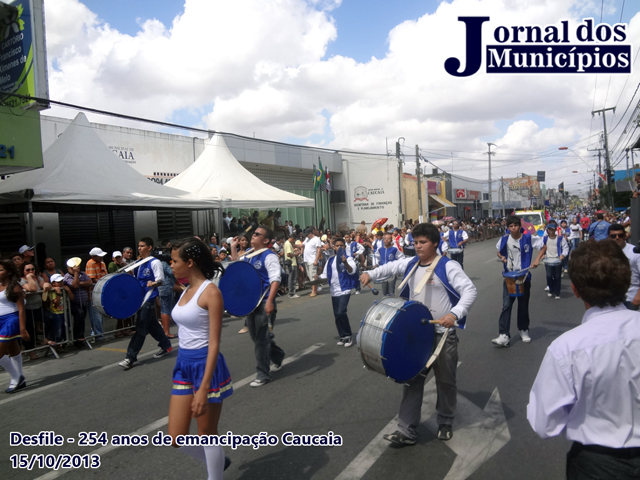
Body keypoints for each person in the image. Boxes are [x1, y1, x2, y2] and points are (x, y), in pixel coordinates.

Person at [527, 240, 640, 479]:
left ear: (576, 290)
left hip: (599, 463)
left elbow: (544, 423)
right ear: (628, 280)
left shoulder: (567, 348)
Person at [361, 223, 477, 444]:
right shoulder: (411, 263)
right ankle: (406, 431)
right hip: (416, 336)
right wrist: (370, 273)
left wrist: (454, 314)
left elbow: (469, 290)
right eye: (415, 242)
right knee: (411, 380)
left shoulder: (447, 266)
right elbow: (389, 268)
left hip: (442, 335)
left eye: (423, 242)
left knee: (446, 381)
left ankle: (445, 421)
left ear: (435, 243)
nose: (418, 246)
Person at [167, 238, 233, 479]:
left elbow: (215, 343)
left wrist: (203, 389)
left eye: (174, 261)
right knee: (175, 438)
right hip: (183, 365)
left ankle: (214, 472)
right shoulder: (185, 289)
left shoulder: (211, 292)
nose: (171, 265)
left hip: (206, 366)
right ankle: (217, 460)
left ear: (190, 263)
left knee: (206, 434)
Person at [230, 226, 285, 387]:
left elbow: (275, 279)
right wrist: (233, 247)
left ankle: (263, 374)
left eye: (256, 234)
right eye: (253, 233)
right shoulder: (248, 254)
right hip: (251, 303)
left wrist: (270, 301)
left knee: (260, 340)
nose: (252, 236)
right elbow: (236, 267)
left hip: (264, 302)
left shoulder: (269, 256)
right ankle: (278, 355)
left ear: (266, 240)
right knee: (256, 337)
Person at [119, 237, 173, 370]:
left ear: (149, 247)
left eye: (142, 246)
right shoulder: (139, 262)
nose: (139, 248)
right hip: (140, 298)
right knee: (152, 325)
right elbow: (135, 278)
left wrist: (152, 283)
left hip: (149, 298)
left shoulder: (155, 262)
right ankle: (166, 345)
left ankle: (130, 357)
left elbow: (160, 280)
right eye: (138, 246)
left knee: (140, 329)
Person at [493, 215, 544, 346]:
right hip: (509, 277)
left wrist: (537, 260)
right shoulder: (504, 239)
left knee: (523, 305)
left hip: (523, 277)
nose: (513, 228)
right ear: (508, 228)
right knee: (506, 305)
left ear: (520, 227)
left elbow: (543, 247)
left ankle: (523, 330)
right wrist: (502, 257)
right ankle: (504, 334)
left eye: (515, 226)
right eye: (510, 226)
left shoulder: (528, 238)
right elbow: (499, 251)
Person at [318, 237, 358, 347]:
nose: (339, 247)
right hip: (334, 290)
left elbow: (352, 271)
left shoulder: (349, 258)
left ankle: (348, 335)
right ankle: (342, 336)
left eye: (341, 245)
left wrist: (345, 263)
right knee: (337, 315)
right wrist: (317, 278)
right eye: (337, 246)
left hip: (345, 289)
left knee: (341, 312)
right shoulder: (330, 260)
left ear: (344, 247)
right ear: (334, 247)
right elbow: (325, 275)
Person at [0, 260, 29, 393]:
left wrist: (23, 329)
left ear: (9, 272)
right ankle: (19, 377)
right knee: (12, 349)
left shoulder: (15, 287)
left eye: (1, 270)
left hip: (11, 319)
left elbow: (21, 309)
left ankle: (16, 378)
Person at [607, 223, 640, 311]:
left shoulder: (634, 252)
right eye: (613, 236)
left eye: (620, 235)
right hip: (610, 298)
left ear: (625, 236)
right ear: (609, 237)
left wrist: (638, 295)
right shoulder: (605, 252)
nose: (617, 238)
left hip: (630, 297)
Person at [534, 223, 569, 300]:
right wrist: (542, 255)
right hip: (548, 260)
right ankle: (551, 289)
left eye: (553, 230)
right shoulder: (544, 239)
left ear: (555, 230)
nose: (551, 231)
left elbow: (566, 247)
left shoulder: (560, 238)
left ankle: (557, 293)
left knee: (557, 277)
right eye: (549, 230)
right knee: (549, 276)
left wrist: (563, 255)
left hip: (557, 260)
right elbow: (540, 247)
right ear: (548, 230)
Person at [63, 260, 92, 345]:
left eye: (77, 268)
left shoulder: (82, 274)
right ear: (68, 268)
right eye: (73, 268)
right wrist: (76, 274)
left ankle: (81, 337)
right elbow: (74, 285)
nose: (76, 269)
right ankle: (77, 338)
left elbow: (90, 282)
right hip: (74, 302)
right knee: (79, 315)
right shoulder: (67, 277)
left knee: (82, 319)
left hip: (83, 302)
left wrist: (80, 283)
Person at [43, 274, 74, 346]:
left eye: (62, 281)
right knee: (58, 330)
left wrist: (68, 290)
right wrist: (58, 293)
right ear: (53, 283)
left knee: (67, 328)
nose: (61, 283)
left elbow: (72, 298)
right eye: (58, 282)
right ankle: (58, 344)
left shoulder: (64, 289)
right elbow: (56, 303)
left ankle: (64, 343)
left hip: (65, 312)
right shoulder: (52, 291)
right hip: (56, 313)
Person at [86, 247, 108, 339]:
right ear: (94, 256)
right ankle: (99, 335)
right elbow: (92, 278)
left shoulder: (102, 263)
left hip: (101, 292)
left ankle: (95, 333)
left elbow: (105, 275)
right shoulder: (91, 263)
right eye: (99, 256)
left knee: (100, 315)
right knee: (96, 315)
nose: (101, 257)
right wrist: (102, 283)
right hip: (93, 292)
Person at [302, 227, 323, 298]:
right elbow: (302, 245)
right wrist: (293, 244)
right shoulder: (307, 239)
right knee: (309, 276)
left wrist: (316, 260)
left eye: (307, 234)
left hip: (312, 260)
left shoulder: (316, 239)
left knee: (313, 276)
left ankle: (314, 291)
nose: (306, 236)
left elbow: (319, 250)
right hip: (306, 260)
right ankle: (315, 290)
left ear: (310, 233)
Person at [284, 233, 299, 299]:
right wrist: (296, 254)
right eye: (294, 240)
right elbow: (288, 254)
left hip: (292, 263)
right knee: (292, 278)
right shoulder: (288, 243)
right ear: (293, 238)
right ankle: (291, 293)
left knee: (292, 278)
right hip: (291, 263)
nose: (294, 242)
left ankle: (292, 292)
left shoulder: (287, 243)